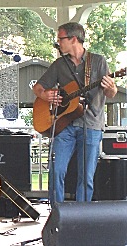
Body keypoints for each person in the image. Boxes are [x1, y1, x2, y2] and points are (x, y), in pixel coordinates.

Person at [33, 22, 117, 207]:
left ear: (73, 39)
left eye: (60, 39)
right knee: (56, 171)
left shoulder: (98, 61)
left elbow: (110, 94)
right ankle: (57, 215)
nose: (57, 43)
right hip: (65, 125)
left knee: (86, 175)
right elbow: (38, 87)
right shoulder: (59, 64)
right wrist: (45, 94)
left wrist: (111, 88)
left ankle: (81, 217)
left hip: (91, 124)